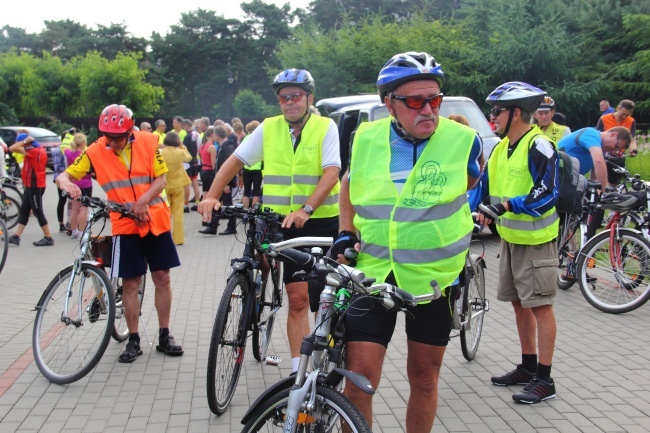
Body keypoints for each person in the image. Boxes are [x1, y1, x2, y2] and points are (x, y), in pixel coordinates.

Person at [334, 52, 482, 432]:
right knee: (359, 379)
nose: (429, 110)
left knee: (424, 377)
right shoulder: (365, 138)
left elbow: (467, 186)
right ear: (390, 104)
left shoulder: (466, 141)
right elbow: (349, 182)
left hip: (434, 278)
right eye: (416, 101)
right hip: (373, 272)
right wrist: (346, 230)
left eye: (435, 99)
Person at [198, 68, 341, 373]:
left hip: (317, 222)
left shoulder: (325, 127)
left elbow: (331, 174)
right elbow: (234, 161)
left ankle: (320, 358)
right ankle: (297, 372)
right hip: (277, 220)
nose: (290, 102)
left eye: (296, 96)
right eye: (284, 97)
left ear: (309, 99)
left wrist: (306, 209)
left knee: (312, 297)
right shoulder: (268, 128)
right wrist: (211, 195)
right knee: (293, 294)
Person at [56, 104, 184, 363]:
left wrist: (143, 201)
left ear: (131, 130)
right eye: (108, 137)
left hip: (155, 219)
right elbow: (63, 175)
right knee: (131, 283)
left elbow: (161, 179)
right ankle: (133, 339)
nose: (112, 143)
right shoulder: (94, 151)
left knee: (162, 278)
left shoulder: (149, 141)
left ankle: (164, 334)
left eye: (118, 137)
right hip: (125, 225)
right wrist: (66, 183)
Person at [475, 81, 559, 404]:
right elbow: (481, 189)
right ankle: (528, 367)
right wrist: (471, 209)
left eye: (497, 111)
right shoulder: (499, 148)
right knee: (519, 304)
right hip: (510, 239)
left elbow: (547, 192)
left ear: (516, 113)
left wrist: (509, 205)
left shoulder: (539, 146)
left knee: (541, 307)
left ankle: (545, 379)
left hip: (536, 242)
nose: (491, 116)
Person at [558, 126, 632, 239]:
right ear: (613, 134)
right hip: (558, 179)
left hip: (567, 182)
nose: (613, 151)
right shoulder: (591, 134)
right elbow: (598, 161)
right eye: (616, 146)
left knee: (569, 220)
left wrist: (599, 193)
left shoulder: (600, 149)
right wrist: (605, 190)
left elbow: (595, 178)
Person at [7, 132, 54, 247]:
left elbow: (11, 148)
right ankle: (16, 236)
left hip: (35, 186)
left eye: (20, 142)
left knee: (38, 211)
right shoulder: (37, 149)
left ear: (26, 143)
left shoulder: (33, 151)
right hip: (31, 185)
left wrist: (23, 142)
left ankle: (48, 238)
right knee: (24, 210)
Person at [198, 126, 238, 235]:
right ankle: (213, 226)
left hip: (226, 182)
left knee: (228, 204)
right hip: (223, 182)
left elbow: (231, 167)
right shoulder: (223, 146)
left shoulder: (227, 147)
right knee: (216, 202)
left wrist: (227, 183)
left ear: (217, 135)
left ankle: (231, 226)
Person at [160, 131, 192, 245]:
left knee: (165, 213)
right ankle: (178, 239)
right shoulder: (180, 152)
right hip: (178, 185)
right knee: (178, 214)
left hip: (164, 185)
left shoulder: (160, 152)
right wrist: (183, 147)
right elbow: (189, 158)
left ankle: (165, 237)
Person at [63, 133, 93, 240]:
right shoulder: (86, 154)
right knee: (84, 208)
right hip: (85, 184)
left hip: (73, 183)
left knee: (75, 208)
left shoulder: (68, 153)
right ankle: (81, 232)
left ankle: (74, 231)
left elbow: (66, 167)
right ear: (84, 143)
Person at [241, 120, 262, 209]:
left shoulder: (245, 138)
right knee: (256, 192)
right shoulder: (260, 138)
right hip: (257, 168)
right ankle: (254, 213)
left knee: (246, 192)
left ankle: (245, 213)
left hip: (246, 167)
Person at [182, 119, 202, 211]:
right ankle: (197, 203)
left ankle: (185, 206)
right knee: (195, 183)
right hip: (196, 161)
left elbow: (183, 149)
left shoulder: (188, 136)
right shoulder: (198, 134)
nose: (183, 128)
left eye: (183, 126)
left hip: (187, 162)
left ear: (186, 125)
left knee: (186, 184)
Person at [198, 127, 217, 201]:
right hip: (209, 171)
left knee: (205, 191)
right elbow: (213, 163)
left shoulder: (202, 146)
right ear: (212, 135)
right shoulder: (212, 147)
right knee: (210, 192)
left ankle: (202, 207)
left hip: (203, 170)